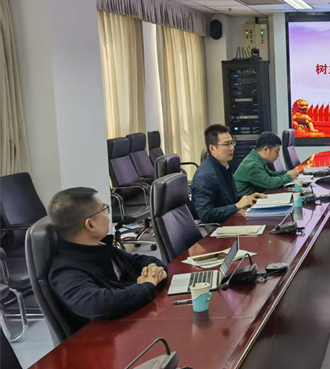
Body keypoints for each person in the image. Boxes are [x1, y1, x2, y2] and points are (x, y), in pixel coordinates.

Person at [48, 188, 167, 327]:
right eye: (104, 210)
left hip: (134, 320)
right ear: (90, 224)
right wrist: (147, 285)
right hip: (108, 338)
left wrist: (154, 270)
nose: (107, 215)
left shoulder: (99, 247)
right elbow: (98, 304)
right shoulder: (65, 270)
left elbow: (139, 261)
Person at [192, 124, 265, 223]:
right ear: (212, 148)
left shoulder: (224, 166)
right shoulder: (205, 176)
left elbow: (229, 200)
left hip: (230, 221)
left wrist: (248, 198)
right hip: (217, 230)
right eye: (226, 144)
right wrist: (237, 206)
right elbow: (206, 214)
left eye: (232, 143)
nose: (232, 148)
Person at [234, 131, 300, 195]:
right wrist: (289, 176)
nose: (278, 155)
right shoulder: (253, 164)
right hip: (244, 203)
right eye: (276, 151)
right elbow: (270, 183)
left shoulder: (258, 159)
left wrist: (288, 172)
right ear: (266, 149)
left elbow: (270, 175)